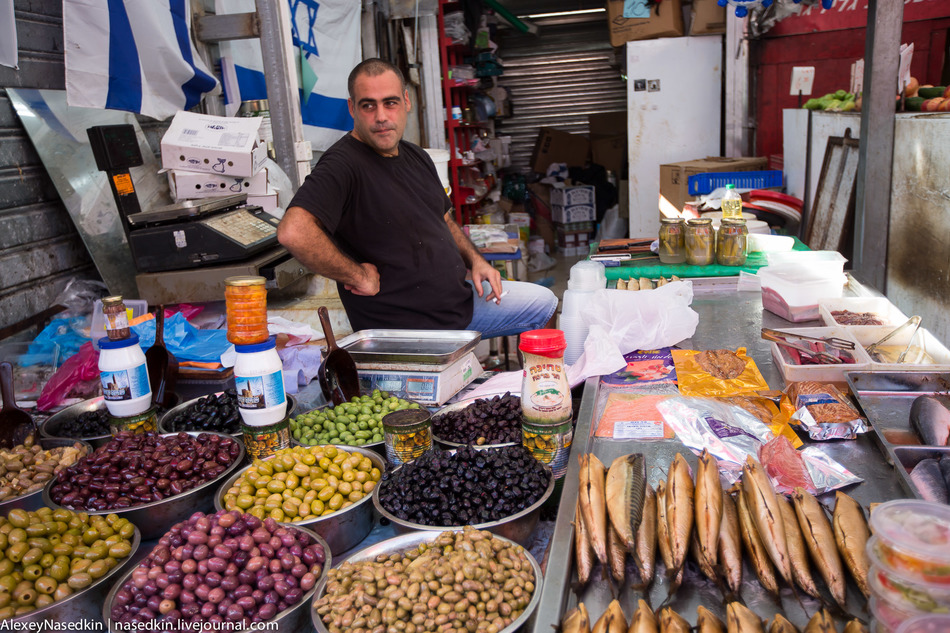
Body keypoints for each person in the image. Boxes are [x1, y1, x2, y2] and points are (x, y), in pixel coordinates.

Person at [277, 58, 558, 338]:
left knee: (545, 300)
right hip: (414, 326)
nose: (381, 117)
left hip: (457, 302)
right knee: (543, 305)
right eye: (368, 105)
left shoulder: (416, 156)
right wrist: (357, 275)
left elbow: (442, 218)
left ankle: (537, 379)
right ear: (352, 108)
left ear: (406, 102)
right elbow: (294, 232)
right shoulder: (343, 164)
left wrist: (477, 261)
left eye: (390, 102)